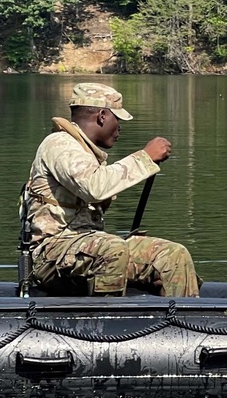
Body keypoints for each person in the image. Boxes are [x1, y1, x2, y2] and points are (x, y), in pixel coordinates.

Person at [23, 82, 200, 297]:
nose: (120, 129)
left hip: (87, 248)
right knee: (112, 248)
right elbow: (93, 187)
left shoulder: (87, 153)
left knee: (173, 255)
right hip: (51, 254)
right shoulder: (60, 144)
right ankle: (108, 324)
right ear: (102, 116)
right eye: (118, 119)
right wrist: (145, 157)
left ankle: (181, 324)